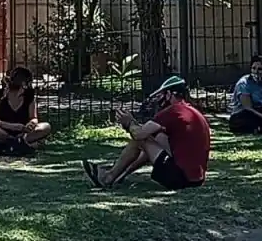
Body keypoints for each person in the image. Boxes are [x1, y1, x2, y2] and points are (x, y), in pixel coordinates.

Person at [81, 76, 210, 191]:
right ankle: (119, 175)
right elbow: (148, 136)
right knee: (156, 137)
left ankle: (108, 178)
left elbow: (139, 135)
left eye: (161, 95)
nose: (159, 100)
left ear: (170, 94)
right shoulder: (190, 110)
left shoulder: (173, 111)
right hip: (196, 180)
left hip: (179, 178)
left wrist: (129, 123)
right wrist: (133, 126)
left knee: (141, 139)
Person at [0, 66, 53, 156]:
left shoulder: (29, 95)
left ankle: (20, 141)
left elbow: (34, 117)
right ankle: (17, 143)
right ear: (23, 84)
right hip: (3, 131)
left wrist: (31, 124)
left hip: (23, 132)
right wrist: (10, 126)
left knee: (46, 126)